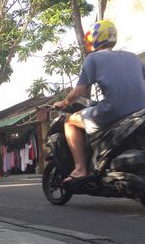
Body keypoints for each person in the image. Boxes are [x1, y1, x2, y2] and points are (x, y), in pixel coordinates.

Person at [54, 20, 145, 184]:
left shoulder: (93, 59)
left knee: (69, 122)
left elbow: (79, 92)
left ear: (95, 38)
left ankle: (80, 168)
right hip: (140, 111)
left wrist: (64, 102)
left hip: (114, 111)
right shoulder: (133, 57)